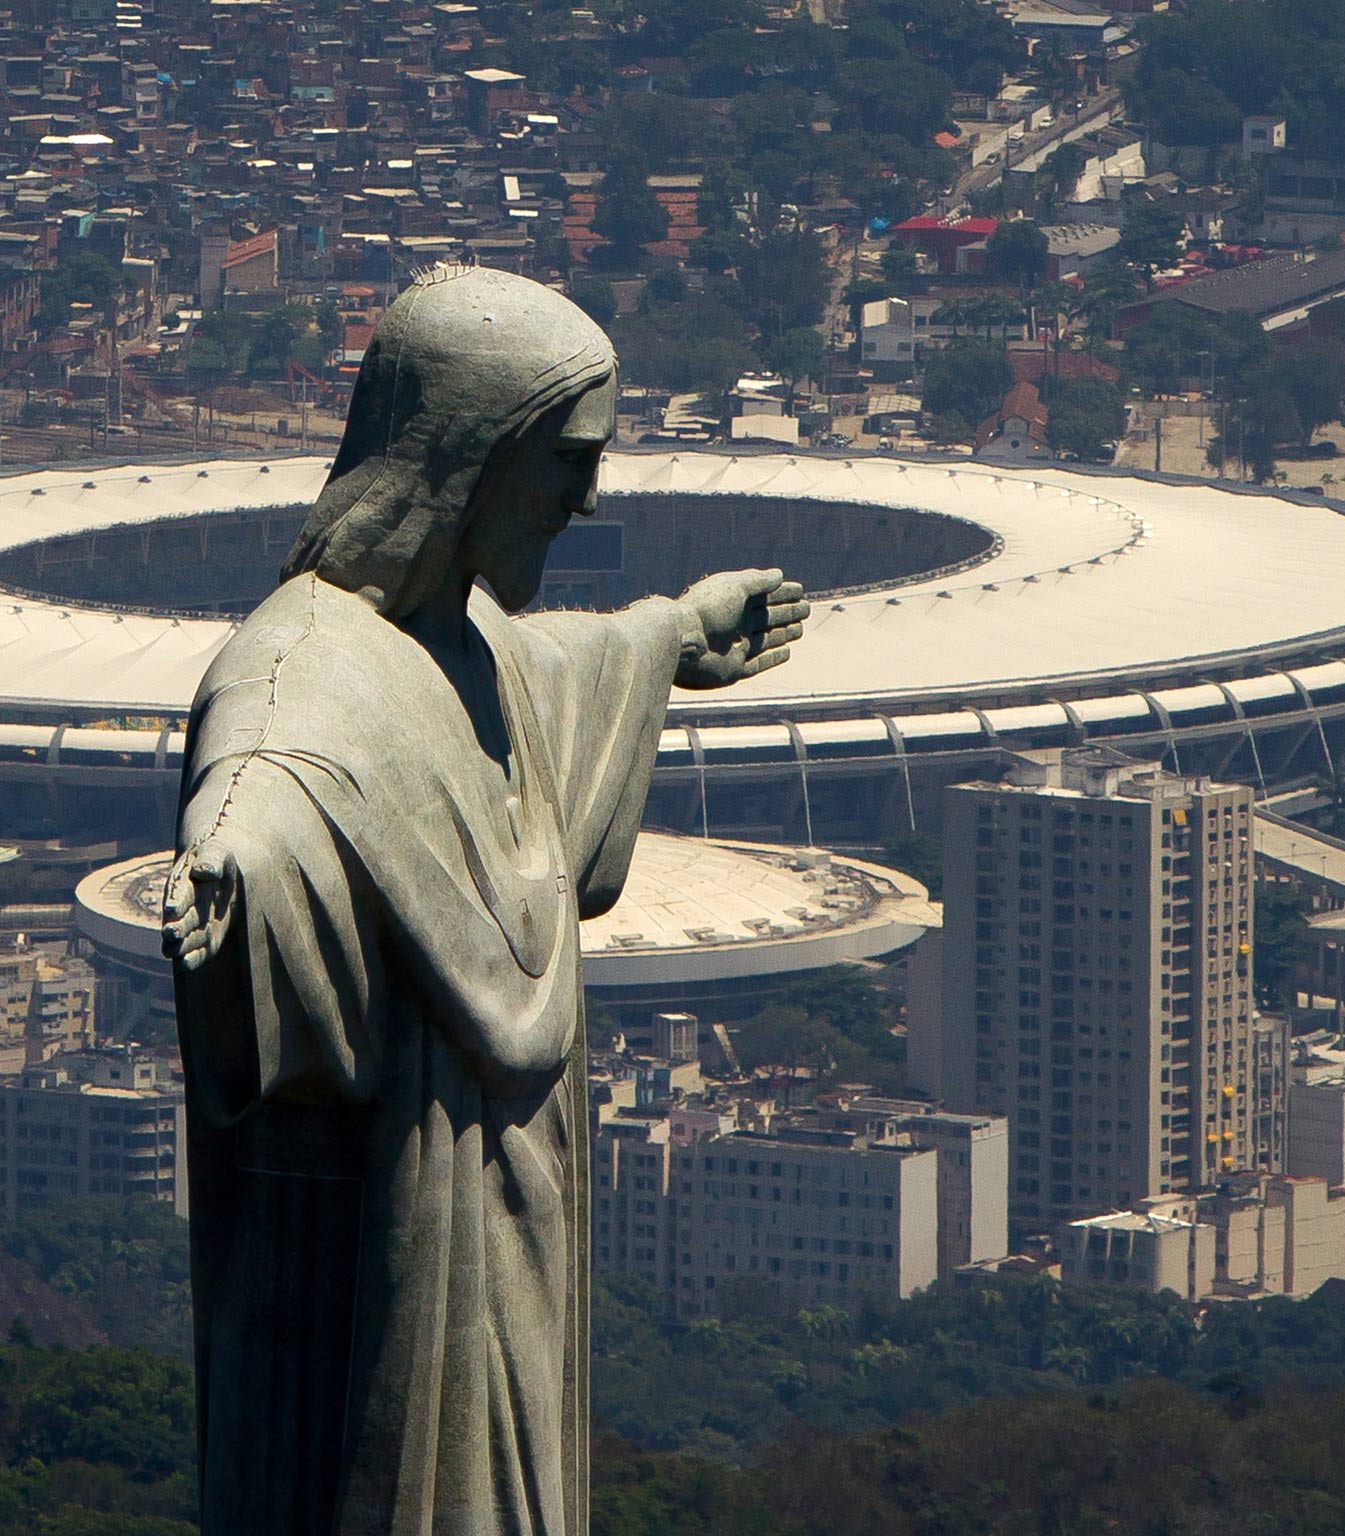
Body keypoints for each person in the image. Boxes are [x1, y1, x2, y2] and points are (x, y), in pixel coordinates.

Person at [162, 265, 807, 1536]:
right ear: (467, 457)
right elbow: (266, 784)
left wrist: (667, 637)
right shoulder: (303, 669)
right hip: (403, 1242)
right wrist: (231, 881)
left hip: (507, 1231)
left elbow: (534, 670)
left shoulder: (455, 637)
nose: (585, 496)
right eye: (566, 459)